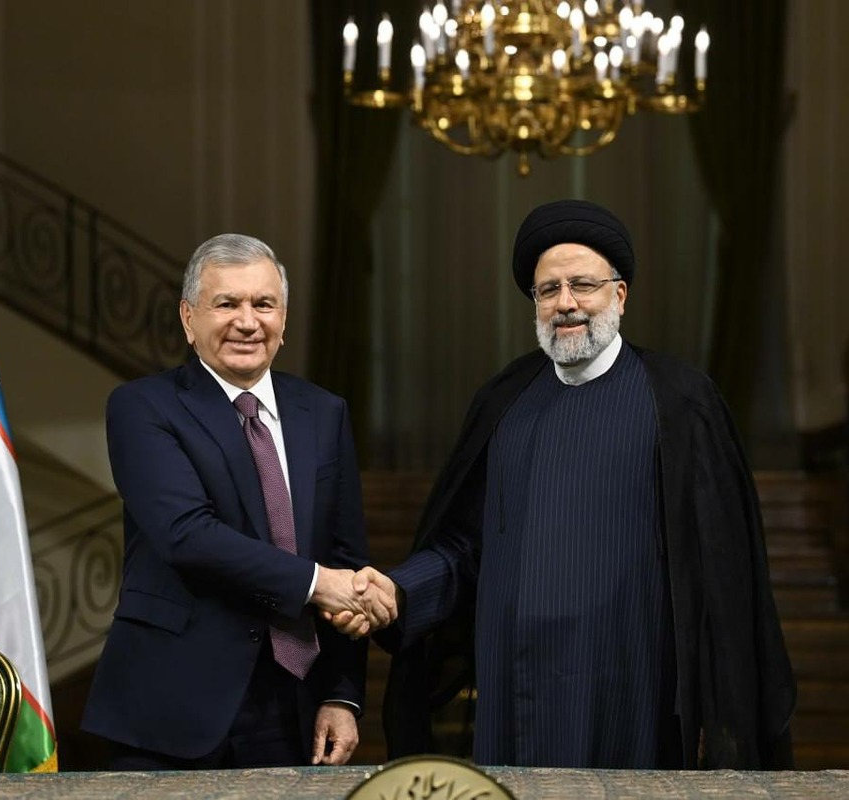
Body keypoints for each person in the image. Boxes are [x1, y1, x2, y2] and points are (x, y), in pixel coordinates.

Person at [332, 199, 796, 769]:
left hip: (633, 693)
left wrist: (716, 713)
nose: (566, 303)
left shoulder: (680, 401)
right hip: (515, 691)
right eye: (548, 290)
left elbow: (724, 573)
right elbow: (464, 549)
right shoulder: (503, 401)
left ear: (619, 295)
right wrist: (399, 591)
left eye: (583, 285)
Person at [81, 233, 396, 770]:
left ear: (284, 319)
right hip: (172, 707)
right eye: (226, 303)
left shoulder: (324, 412)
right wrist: (319, 583)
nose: (247, 322)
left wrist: (342, 695)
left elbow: (345, 555)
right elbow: (187, 534)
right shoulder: (143, 406)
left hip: (294, 709)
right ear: (188, 318)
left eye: (264, 304)